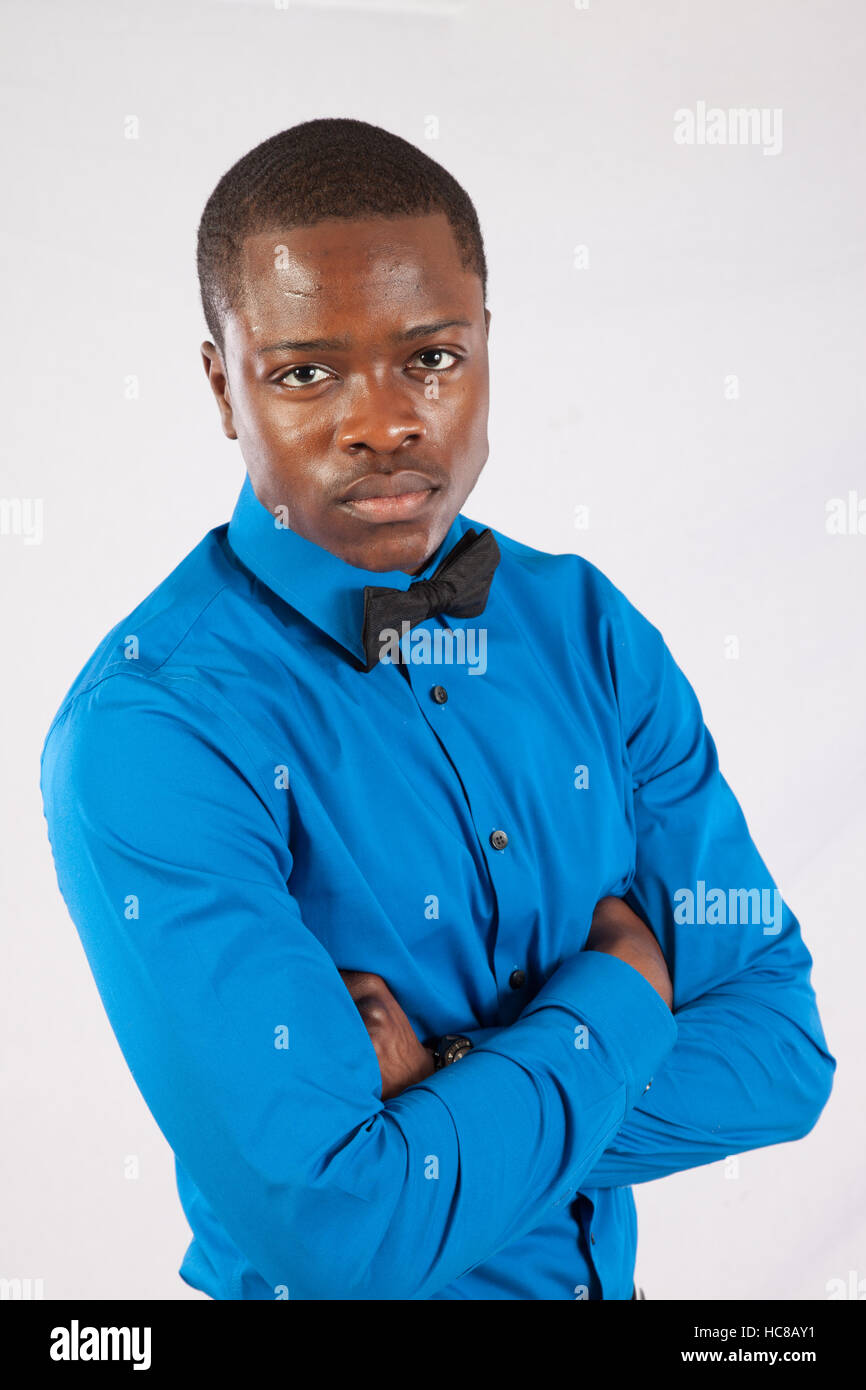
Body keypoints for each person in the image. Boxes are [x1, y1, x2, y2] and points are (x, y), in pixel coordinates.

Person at [40, 118, 835, 1301]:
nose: (383, 422)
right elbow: (338, 1228)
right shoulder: (151, 730)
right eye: (304, 372)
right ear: (222, 384)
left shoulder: (586, 630)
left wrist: (440, 1086)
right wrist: (622, 983)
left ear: (483, 348)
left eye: (431, 357)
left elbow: (779, 1055)